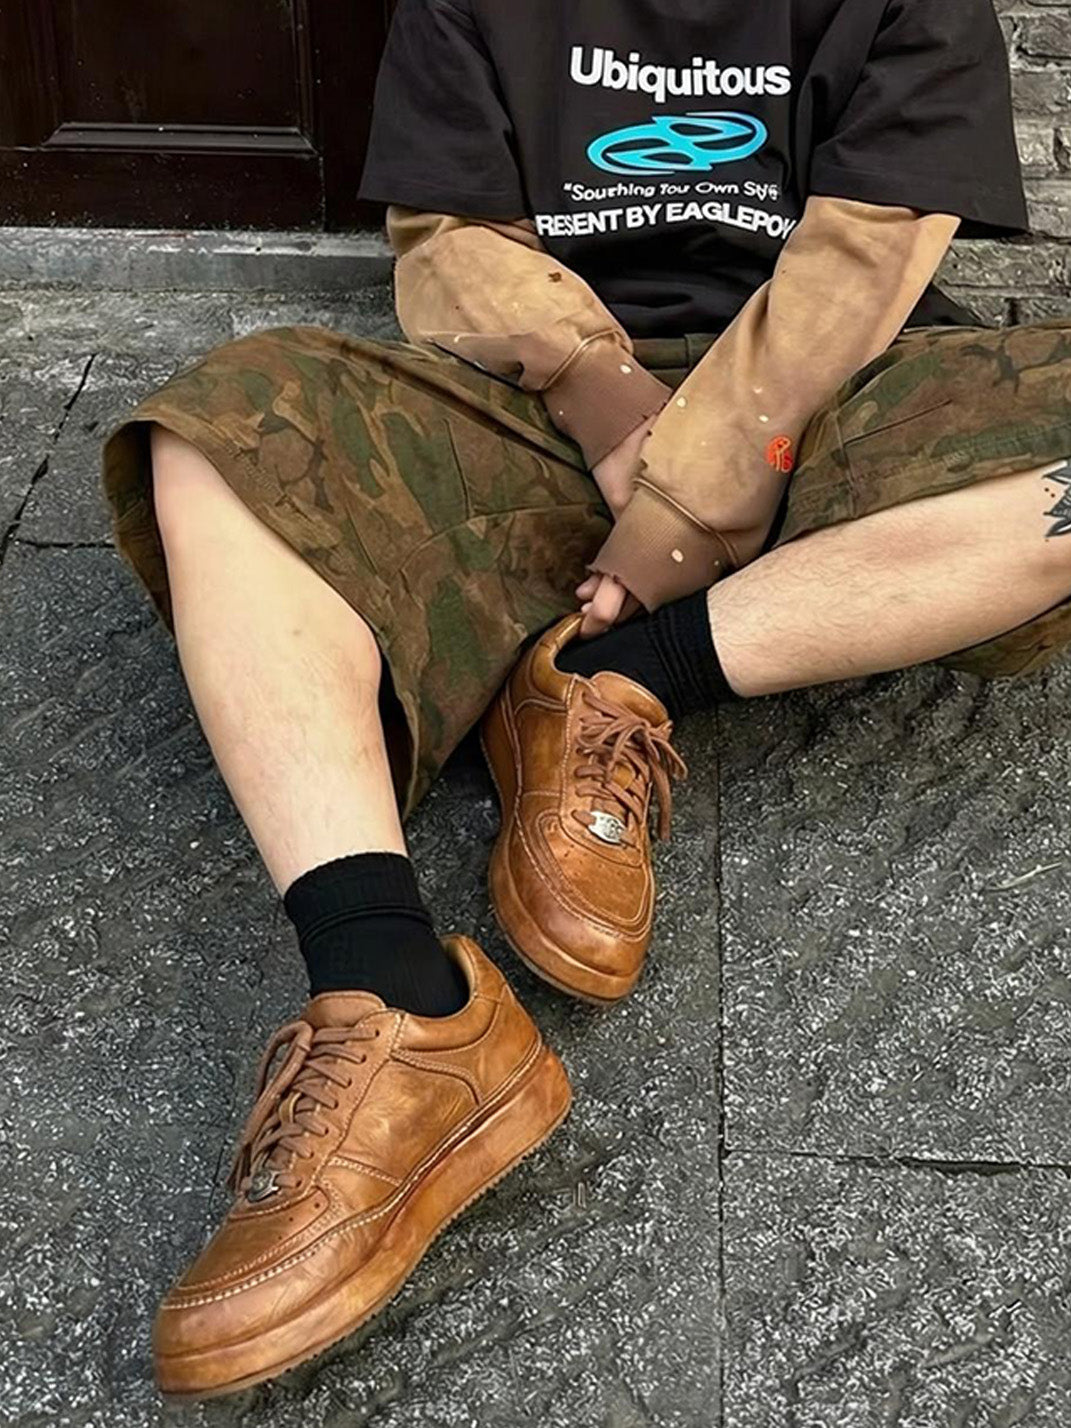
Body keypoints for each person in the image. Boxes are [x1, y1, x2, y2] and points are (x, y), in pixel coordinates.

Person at [102, 0, 1071, 1398]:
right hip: (537, 412)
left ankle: (616, 674)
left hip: (824, 411)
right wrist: (609, 405)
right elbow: (451, 244)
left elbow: (870, 251)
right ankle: (397, 996)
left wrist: (696, 494)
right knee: (217, 432)